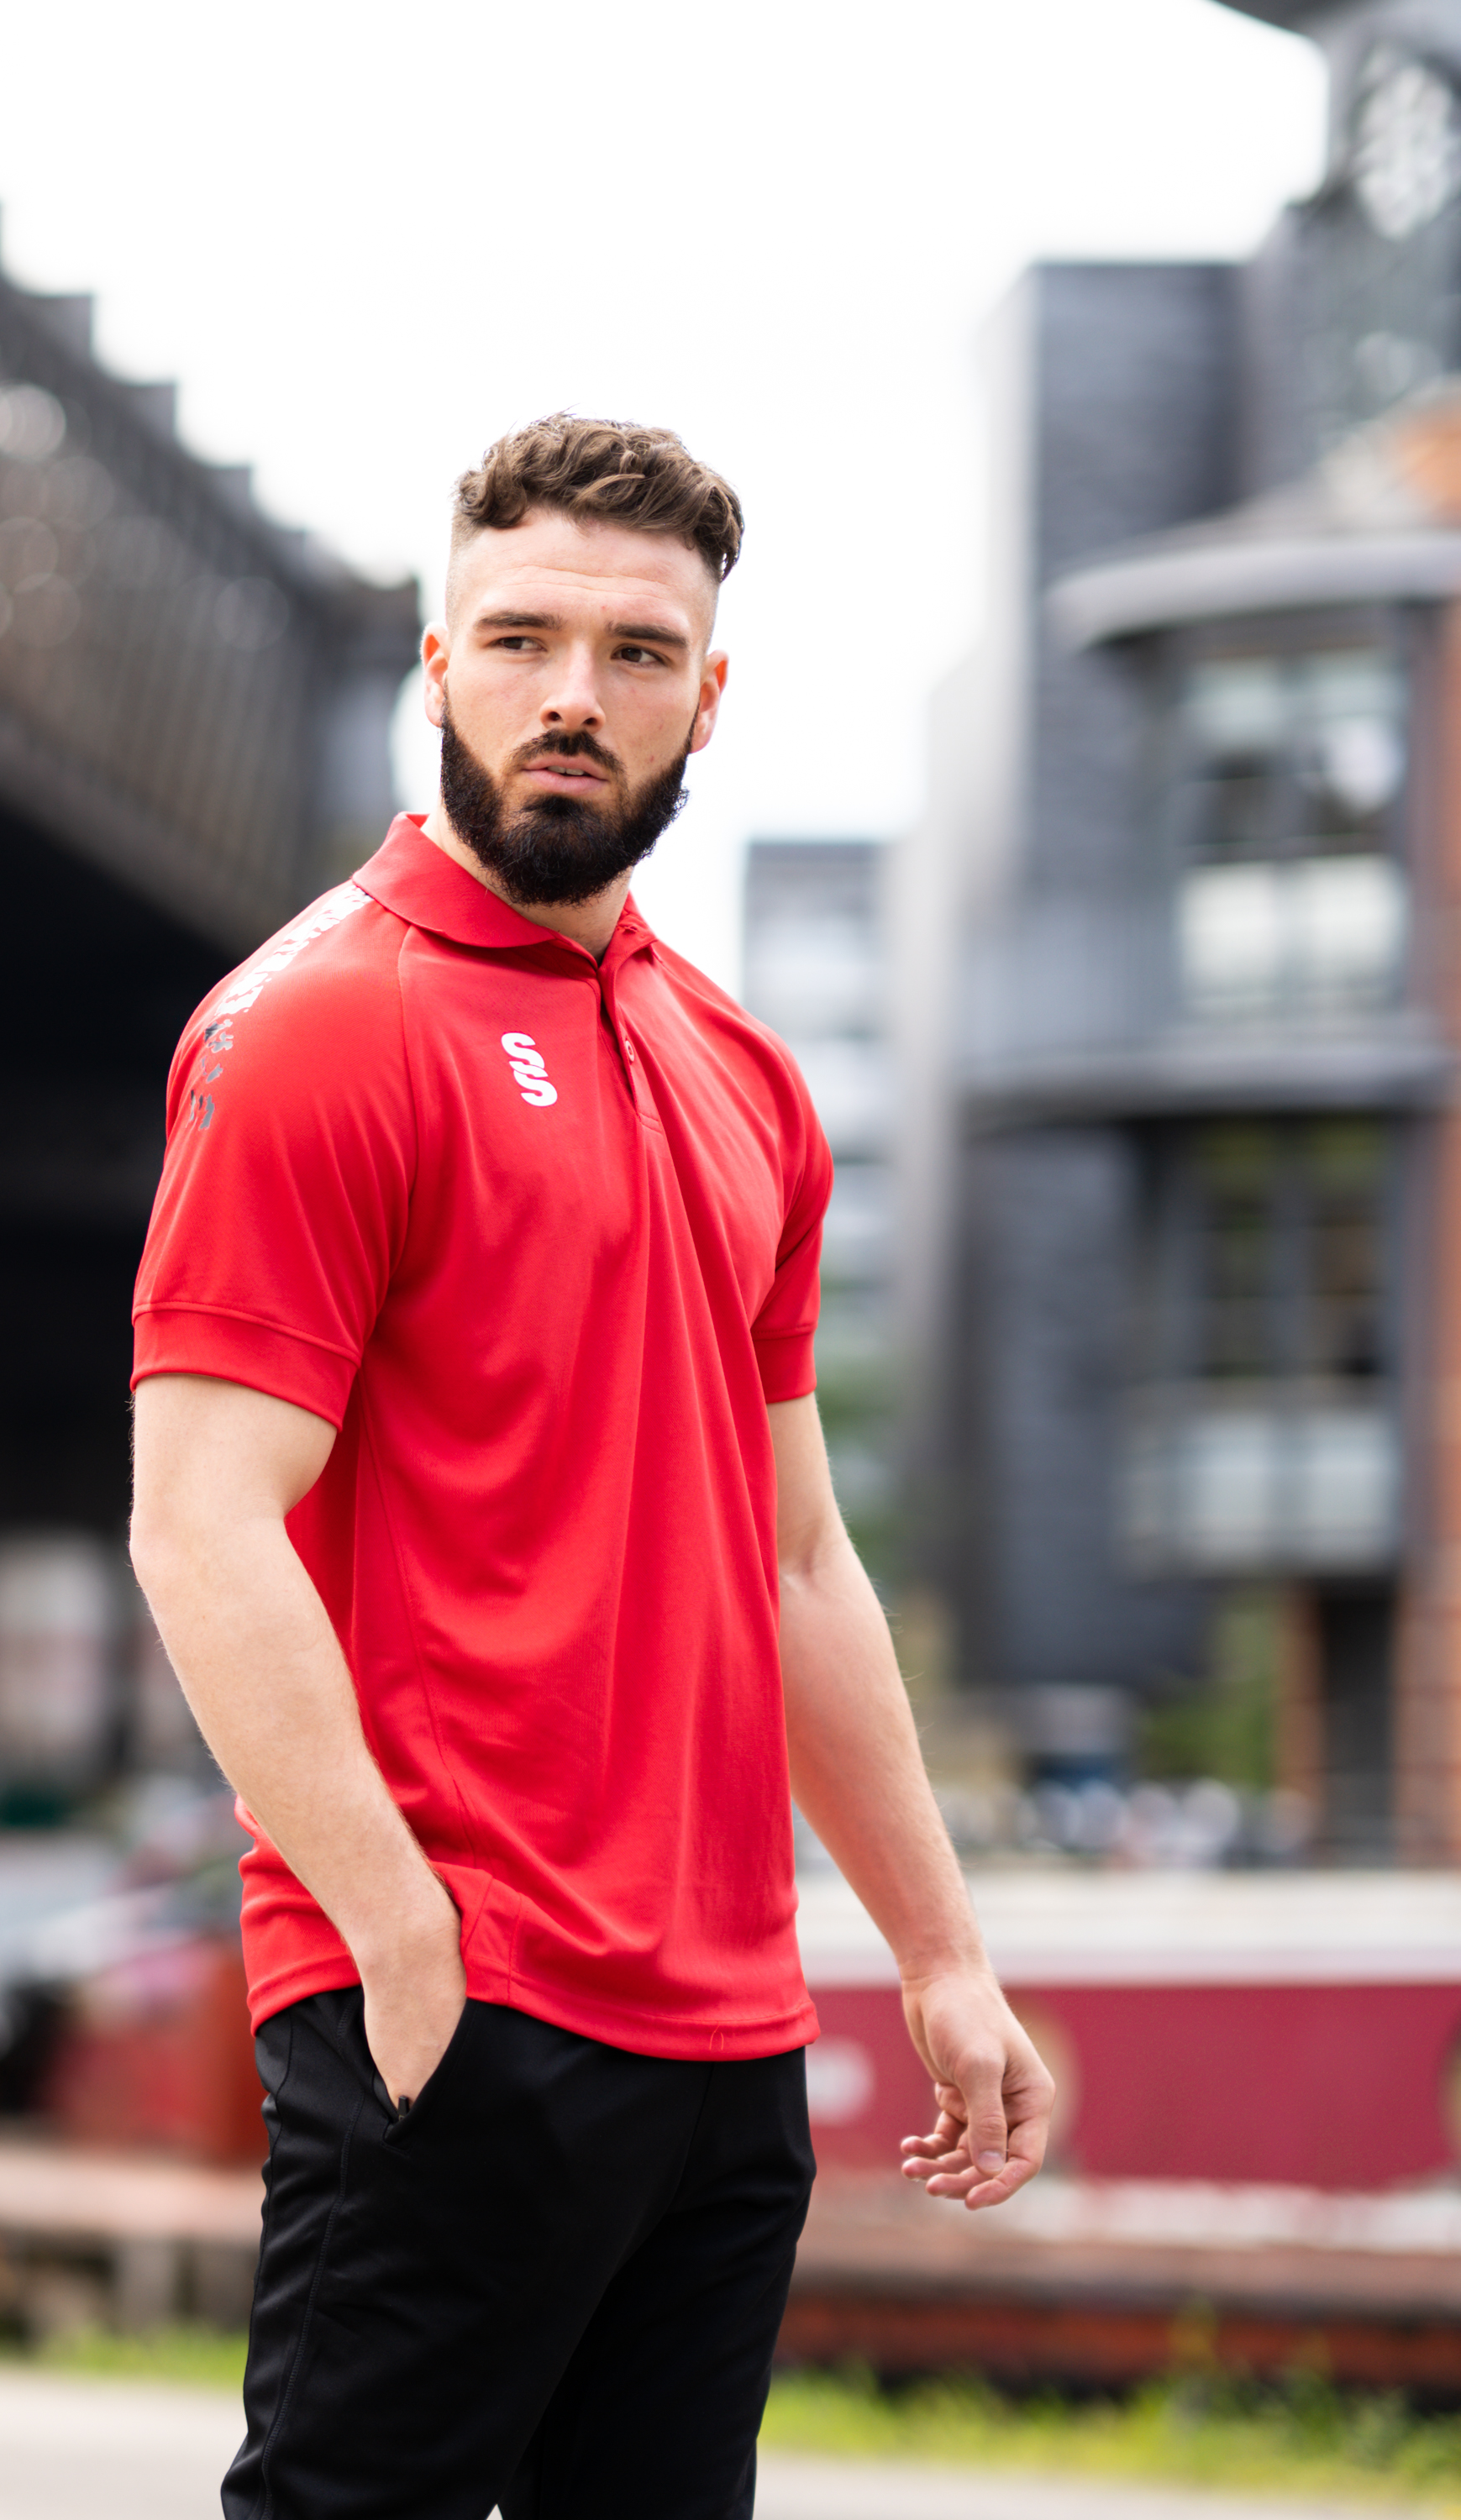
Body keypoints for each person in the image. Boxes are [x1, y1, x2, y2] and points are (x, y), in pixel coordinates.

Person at [126, 413, 1052, 2519]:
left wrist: (939, 1954)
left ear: (705, 698)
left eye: (636, 655)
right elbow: (201, 1521)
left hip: (726, 2039)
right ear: (437, 666)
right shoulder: (317, 1028)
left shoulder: (745, 1077)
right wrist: (398, 1931)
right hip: (462, 1999)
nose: (574, 694)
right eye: (521, 639)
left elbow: (797, 1562)